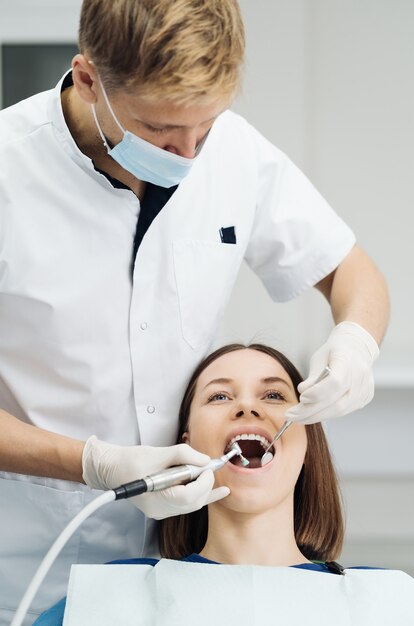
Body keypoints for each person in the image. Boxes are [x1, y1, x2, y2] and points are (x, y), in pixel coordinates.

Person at [0, 0, 389, 622]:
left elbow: (350, 270)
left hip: (177, 560)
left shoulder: (234, 152)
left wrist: (356, 344)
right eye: (159, 130)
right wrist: (94, 464)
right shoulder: (7, 172)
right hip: (23, 556)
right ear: (87, 78)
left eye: (205, 127)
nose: (187, 155)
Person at [34, 344, 414, 625]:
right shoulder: (98, 605)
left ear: (308, 446)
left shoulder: (394, 604)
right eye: (219, 396)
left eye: (274, 395)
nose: (247, 408)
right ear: (185, 445)